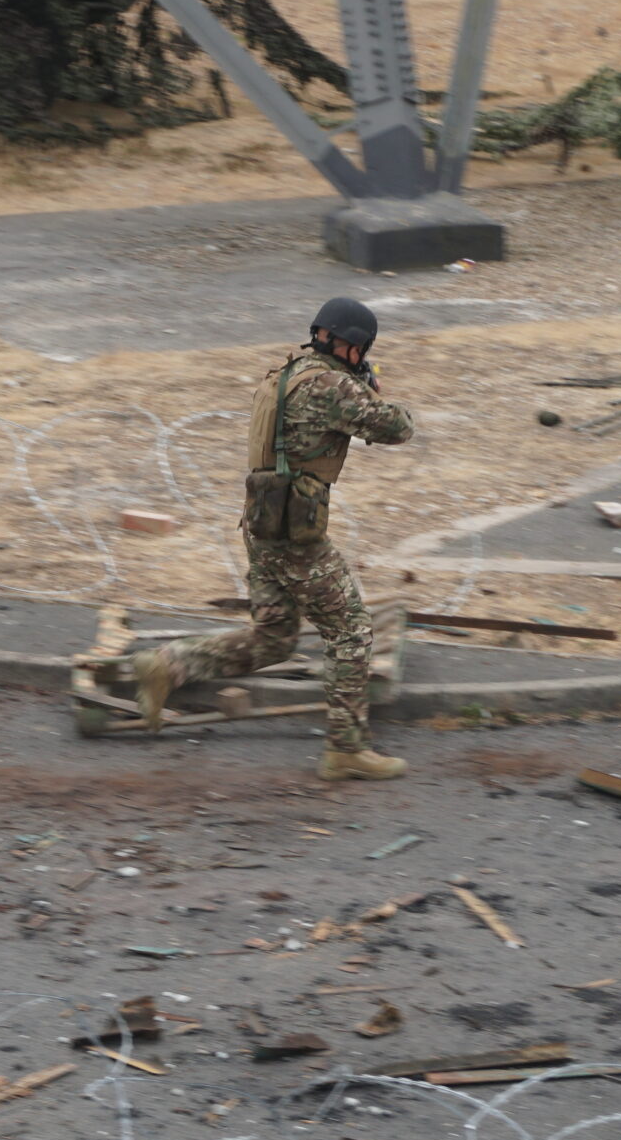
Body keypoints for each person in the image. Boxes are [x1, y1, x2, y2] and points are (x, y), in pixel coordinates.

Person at [131, 297, 414, 780]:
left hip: (260, 524)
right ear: (349, 344)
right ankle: (346, 748)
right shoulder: (335, 387)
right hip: (294, 535)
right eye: (361, 349)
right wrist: (370, 390)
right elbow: (397, 428)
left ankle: (169, 663)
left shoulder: (286, 372)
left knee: (275, 638)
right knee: (350, 631)